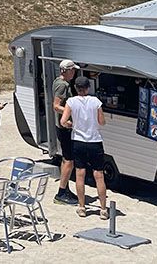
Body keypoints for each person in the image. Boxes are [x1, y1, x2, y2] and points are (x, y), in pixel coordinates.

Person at [61, 75, 109, 219]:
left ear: (76, 88)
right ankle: (103, 209)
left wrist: (72, 124)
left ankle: (82, 207)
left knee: (80, 174)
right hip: (94, 140)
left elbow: (63, 121)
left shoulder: (71, 101)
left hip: (79, 141)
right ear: (88, 87)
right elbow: (102, 122)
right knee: (99, 175)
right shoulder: (96, 102)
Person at [53, 59, 80, 205]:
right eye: (72, 70)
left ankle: (65, 188)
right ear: (66, 70)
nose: (74, 72)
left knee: (66, 159)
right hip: (64, 127)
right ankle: (61, 192)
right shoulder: (62, 85)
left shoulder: (59, 82)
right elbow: (56, 106)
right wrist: (73, 110)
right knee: (69, 160)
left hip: (62, 125)